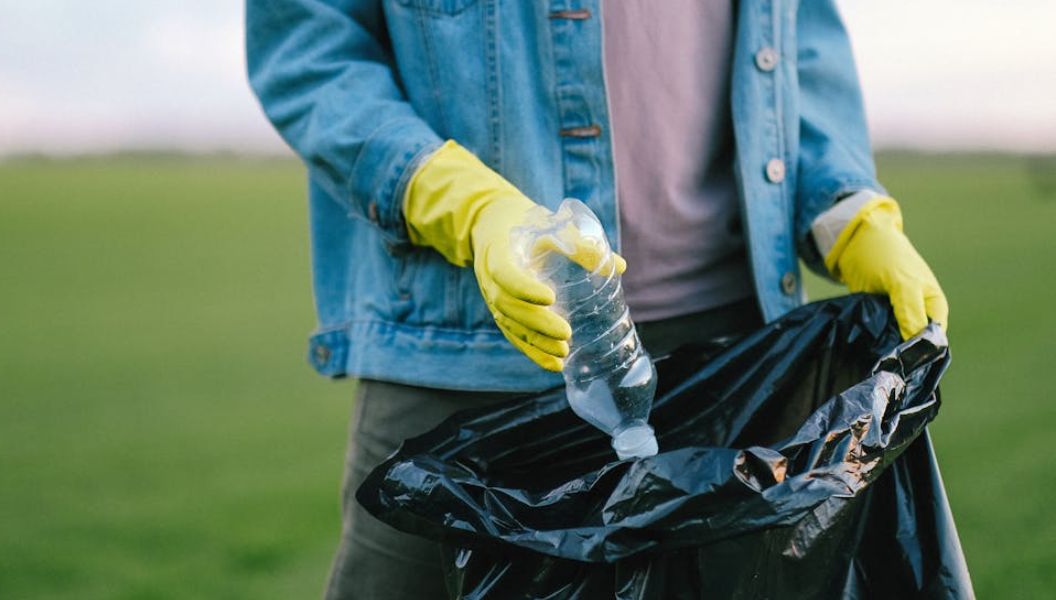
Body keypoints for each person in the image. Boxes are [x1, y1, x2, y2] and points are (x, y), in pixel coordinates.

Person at [246, 2, 948, 598]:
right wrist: (466, 206)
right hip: (459, 352)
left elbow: (797, 38)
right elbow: (311, 53)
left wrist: (848, 211)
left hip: (734, 355)